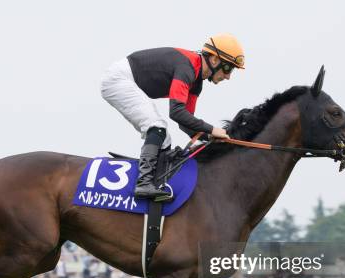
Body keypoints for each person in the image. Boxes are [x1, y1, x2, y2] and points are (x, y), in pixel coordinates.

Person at [101, 34, 245, 200]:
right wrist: (212, 129)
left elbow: (185, 123)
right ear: (214, 59)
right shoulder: (187, 68)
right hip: (118, 79)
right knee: (157, 127)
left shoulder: (196, 82)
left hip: (126, 80)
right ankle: (143, 183)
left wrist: (208, 136)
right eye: (228, 68)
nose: (228, 76)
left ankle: (154, 183)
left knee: (164, 139)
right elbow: (176, 112)